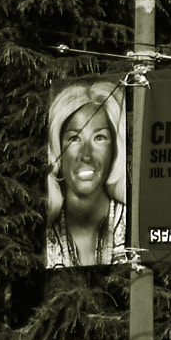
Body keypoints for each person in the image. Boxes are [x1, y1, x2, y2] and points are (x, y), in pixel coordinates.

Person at [44, 79, 129, 267]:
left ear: (115, 147)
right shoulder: (42, 230)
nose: (86, 155)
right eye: (74, 138)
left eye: (99, 137)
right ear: (57, 147)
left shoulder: (134, 225)